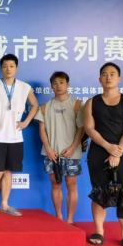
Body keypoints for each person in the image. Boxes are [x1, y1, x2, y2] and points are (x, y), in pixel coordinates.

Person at [85, 63, 123, 246]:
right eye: (104, 74)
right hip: (98, 152)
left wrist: (117, 152)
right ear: (99, 79)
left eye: (112, 74)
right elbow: (89, 128)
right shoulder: (92, 102)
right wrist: (108, 147)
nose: (108, 77)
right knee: (99, 191)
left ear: (119, 79)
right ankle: (99, 231)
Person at [0, 54, 39, 217]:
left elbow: (35, 105)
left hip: (15, 137)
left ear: (16, 68)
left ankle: (4, 204)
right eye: (5, 66)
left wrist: (26, 122)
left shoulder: (24, 87)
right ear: (1, 68)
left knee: (8, 172)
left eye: (12, 66)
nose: (8, 69)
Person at [35, 72, 85, 225]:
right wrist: (48, 149)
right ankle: (59, 217)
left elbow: (81, 129)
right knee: (56, 185)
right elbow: (42, 130)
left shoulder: (77, 105)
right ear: (51, 86)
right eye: (55, 83)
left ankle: (70, 220)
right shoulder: (45, 107)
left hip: (71, 153)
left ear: (68, 84)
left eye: (62, 82)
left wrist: (73, 148)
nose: (58, 86)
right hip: (52, 154)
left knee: (72, 186)